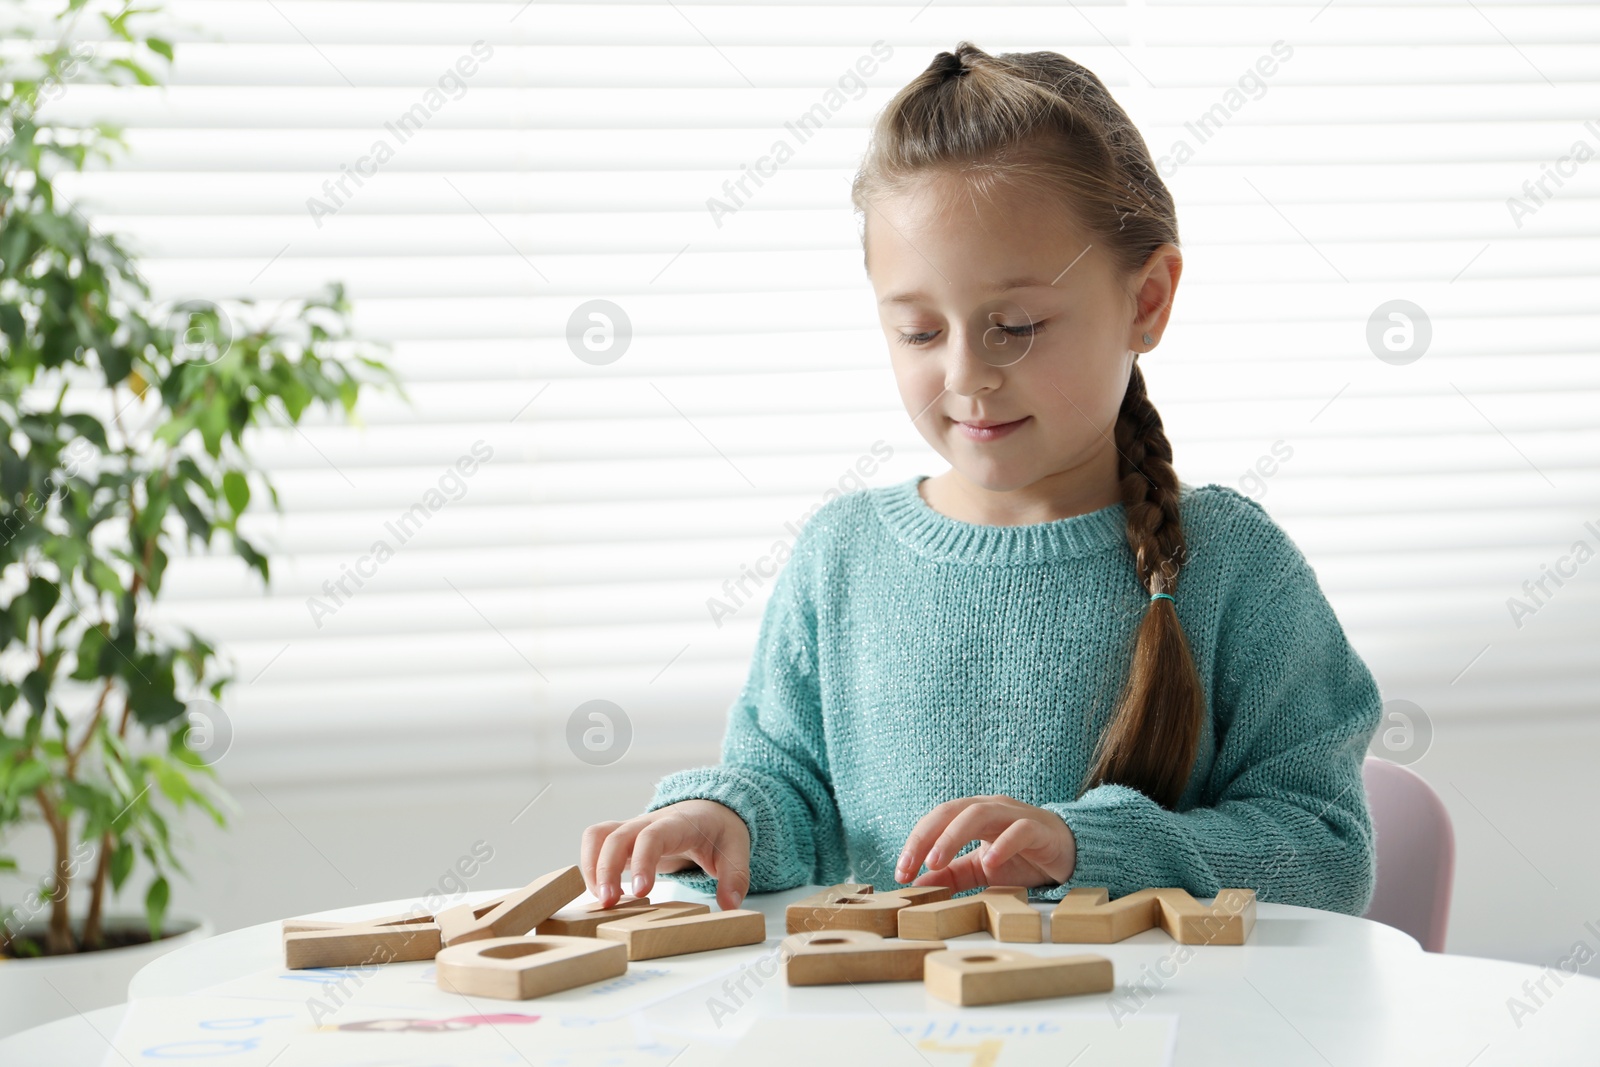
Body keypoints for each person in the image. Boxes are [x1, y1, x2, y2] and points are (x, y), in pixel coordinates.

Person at [581, 41, 1382, 917]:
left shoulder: (1233, 566)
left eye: (1017, 323)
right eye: (921, 333)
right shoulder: (840, 557)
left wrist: (1087, 847)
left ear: (1147, 301)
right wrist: (720, 816)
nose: (967, 373)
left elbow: (1326, 854)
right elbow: (792, 794)